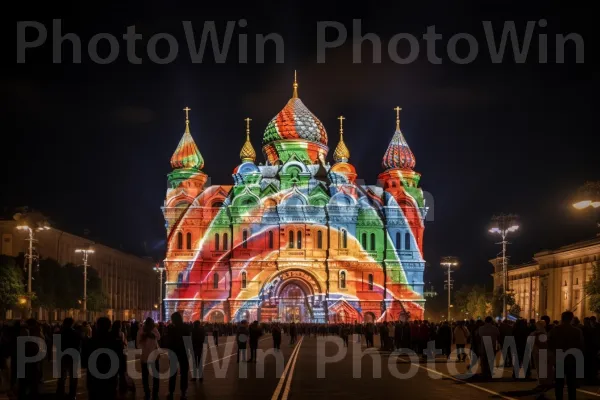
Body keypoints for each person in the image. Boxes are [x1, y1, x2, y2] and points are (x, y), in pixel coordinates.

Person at [549, 311, 584, 400]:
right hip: (572, 358)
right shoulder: (577, 331)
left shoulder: (555, 330)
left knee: (559, 383)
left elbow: (550, 344)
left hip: (560, 357)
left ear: (562, 318)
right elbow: (580, 346)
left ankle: (559, 398)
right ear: (571, 319)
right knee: (571, 383)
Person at [84, 317, 121, 400]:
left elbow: (84, 361)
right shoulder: (116, 341)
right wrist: (122, 378)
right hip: (110, 378)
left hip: (94, 379)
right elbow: (120, 362)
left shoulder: (90, 342)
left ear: (97, 326)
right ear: (109, 326)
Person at [165, 312, 191, 400]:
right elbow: (188, 340)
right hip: (183, 352)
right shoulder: (185, 327)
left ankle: (171, 392)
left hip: (173, 352)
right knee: (184, 373)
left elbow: (168, 340)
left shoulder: (170, 328)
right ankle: (183, 393)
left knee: (172, 373)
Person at [56, 317, 82, 400]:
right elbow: (79, 345)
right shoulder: (76, 333)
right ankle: (72, 394)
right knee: (73, 377)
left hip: (63, 356)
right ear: (72, 324)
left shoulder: (59, 333)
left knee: (61, 376)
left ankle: (60, 392)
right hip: (74, 356)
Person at [137, 317, 161, 400]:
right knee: (155, 376)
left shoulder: (141, 331)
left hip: (145, 357)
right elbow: (159, 337)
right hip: (153, 357)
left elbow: (138, 343)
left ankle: (147, 392)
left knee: (145, 376)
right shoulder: (153, 330)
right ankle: (154, 393)